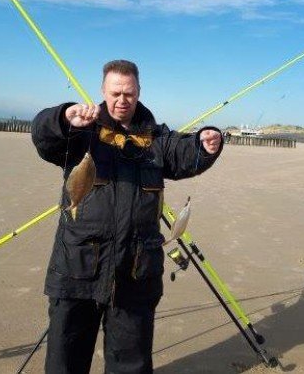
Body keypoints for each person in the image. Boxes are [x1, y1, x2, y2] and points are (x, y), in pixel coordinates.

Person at [31, 60, 223, 374]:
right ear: (103, 92)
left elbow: (185, 153)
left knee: (130, 365)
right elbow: (43, 137)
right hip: (78, 268)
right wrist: (63, 117)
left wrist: (206, 143)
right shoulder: (82, 132)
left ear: (138, 93)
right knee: (65, 361)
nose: (123, 100)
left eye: (129, 93)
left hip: (136, 274)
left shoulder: (156, 138)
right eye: (116, 93)